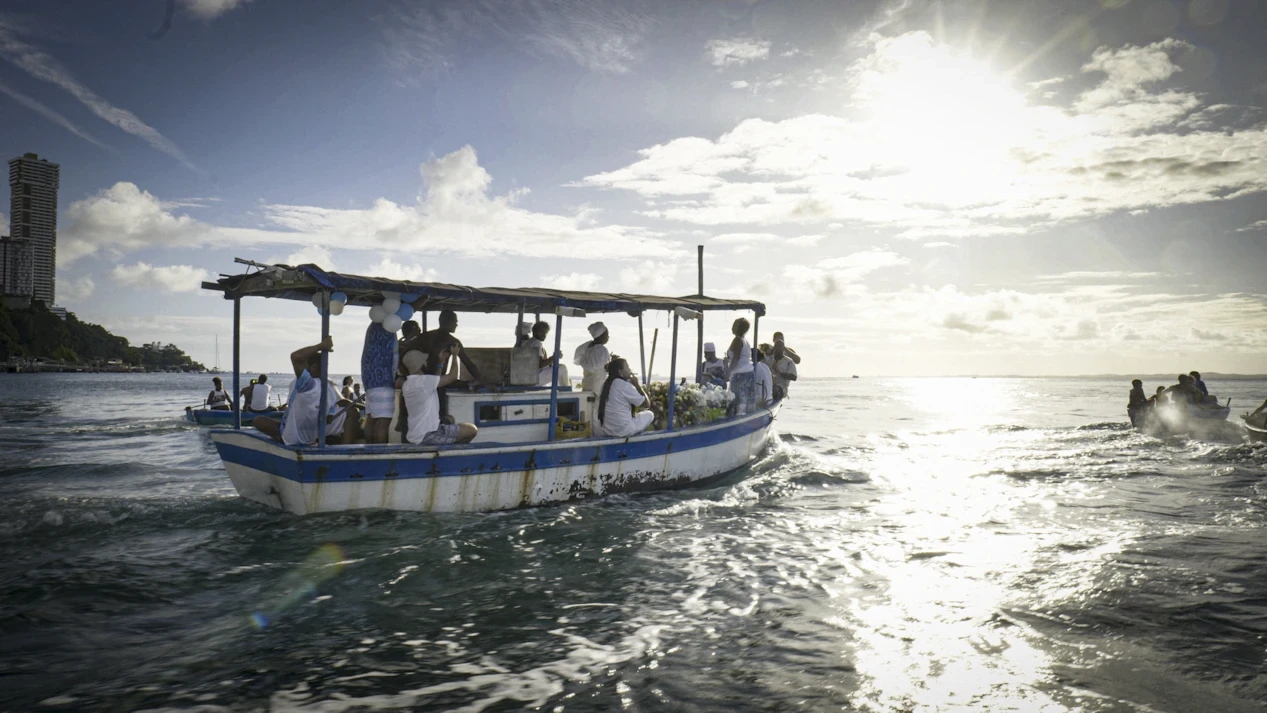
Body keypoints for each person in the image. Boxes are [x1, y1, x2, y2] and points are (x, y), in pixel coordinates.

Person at [254, 336, 349, 445]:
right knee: (263, 420)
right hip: (308, 436)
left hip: (293, 438)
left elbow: (295, 357)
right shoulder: (329, 385)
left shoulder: (309, 385)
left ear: (313, 366)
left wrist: (321, 346)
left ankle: (280, 438)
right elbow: (333, 410)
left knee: (258, 420)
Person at [399, 346, 477, 445]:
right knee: (471, 430)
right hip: (429, 435)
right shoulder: (424, 382)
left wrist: (441, 363)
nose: (426, 362)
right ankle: (451, 453)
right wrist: (454, 355)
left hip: (415, 435)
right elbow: (453, 376)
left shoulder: (408, 384)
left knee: (450, 419)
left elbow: (434, 381)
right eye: (424, 361)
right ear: (420, 365)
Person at [595, 357, 655, 437]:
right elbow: (646, 405)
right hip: (623, 430)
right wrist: (637, 385)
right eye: (627, 367)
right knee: (650, 414)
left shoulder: (605, 384)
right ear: (620, 371)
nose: (630, 369)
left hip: (607, 430)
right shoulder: (623, 385)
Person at [361, 321, 399, 445]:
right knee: (383, 420)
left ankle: (369, 450)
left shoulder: (372, 326)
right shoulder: (388, 327)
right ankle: (378, 452)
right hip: (384, 380)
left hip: (370, 380)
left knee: (371, 419)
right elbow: (395, 356)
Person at [524, 321, 568, 387]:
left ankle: (562, 389)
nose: (544, 334)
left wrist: (551, 360)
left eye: (545, 332)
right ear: (534, 331)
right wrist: (554, 357)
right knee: (562, 368)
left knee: (556, 367)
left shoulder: (530, 342)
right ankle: (565, 392)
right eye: (541, 332)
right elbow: (540, 364)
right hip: (534, 379)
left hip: (528, 377)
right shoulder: (536, 343)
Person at [725, 318, 755, 414]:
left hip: (739, 375)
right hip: (748, 373)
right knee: (745, 403)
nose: (732, 327)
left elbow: (736, 358)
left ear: (737, 327)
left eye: (734, 325)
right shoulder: (745, 341)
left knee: (736, 402)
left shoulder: (737, 340)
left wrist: (728, 371)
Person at [573, 321, 611, 393]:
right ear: (601, 335)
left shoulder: (587, 348)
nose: (608, 337)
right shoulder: (602, 350)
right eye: (607, 335)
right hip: (598, 386)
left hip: (587, 384)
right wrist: (615, 362)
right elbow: (604, 368)